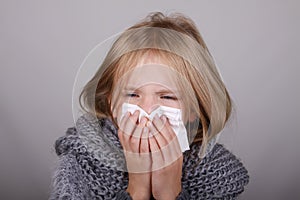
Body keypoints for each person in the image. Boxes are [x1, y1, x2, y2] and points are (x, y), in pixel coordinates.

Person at [49, 12, 249, 200]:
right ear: (110, 101)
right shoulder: (81, 165)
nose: (147, 110)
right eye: (133, 94)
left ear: (194, 109)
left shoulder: (215, 173)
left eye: (167, 97)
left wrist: (171, 192)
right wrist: (136, 189)